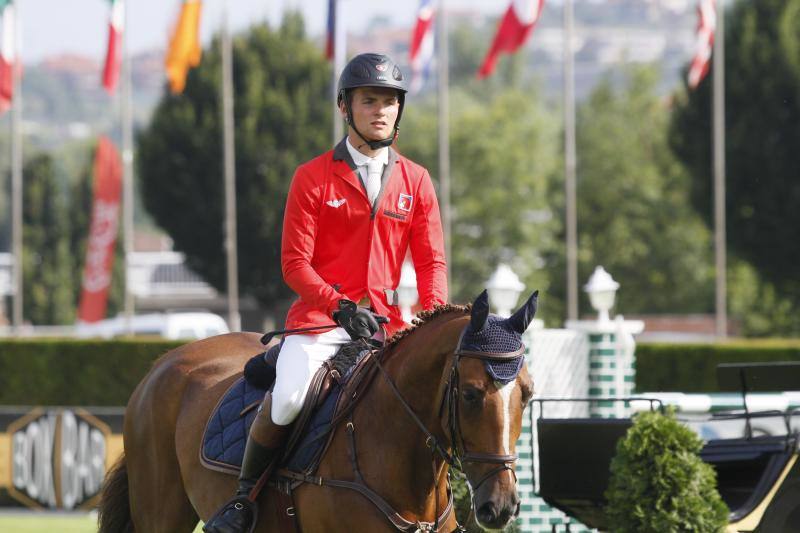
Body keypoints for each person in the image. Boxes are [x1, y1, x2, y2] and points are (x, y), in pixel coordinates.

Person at [203, 52, 448, 533]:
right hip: (321, 323)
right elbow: (294, 264)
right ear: (345, 106)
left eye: (390, 102)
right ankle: (242, 500)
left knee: (436, 401)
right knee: (291, 397)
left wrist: (432, 321)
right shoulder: (312, 176)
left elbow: (432, 262)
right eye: (369, 100)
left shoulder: (416, 181)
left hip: (391, 329)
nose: (380, 110)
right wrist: (339, 307)